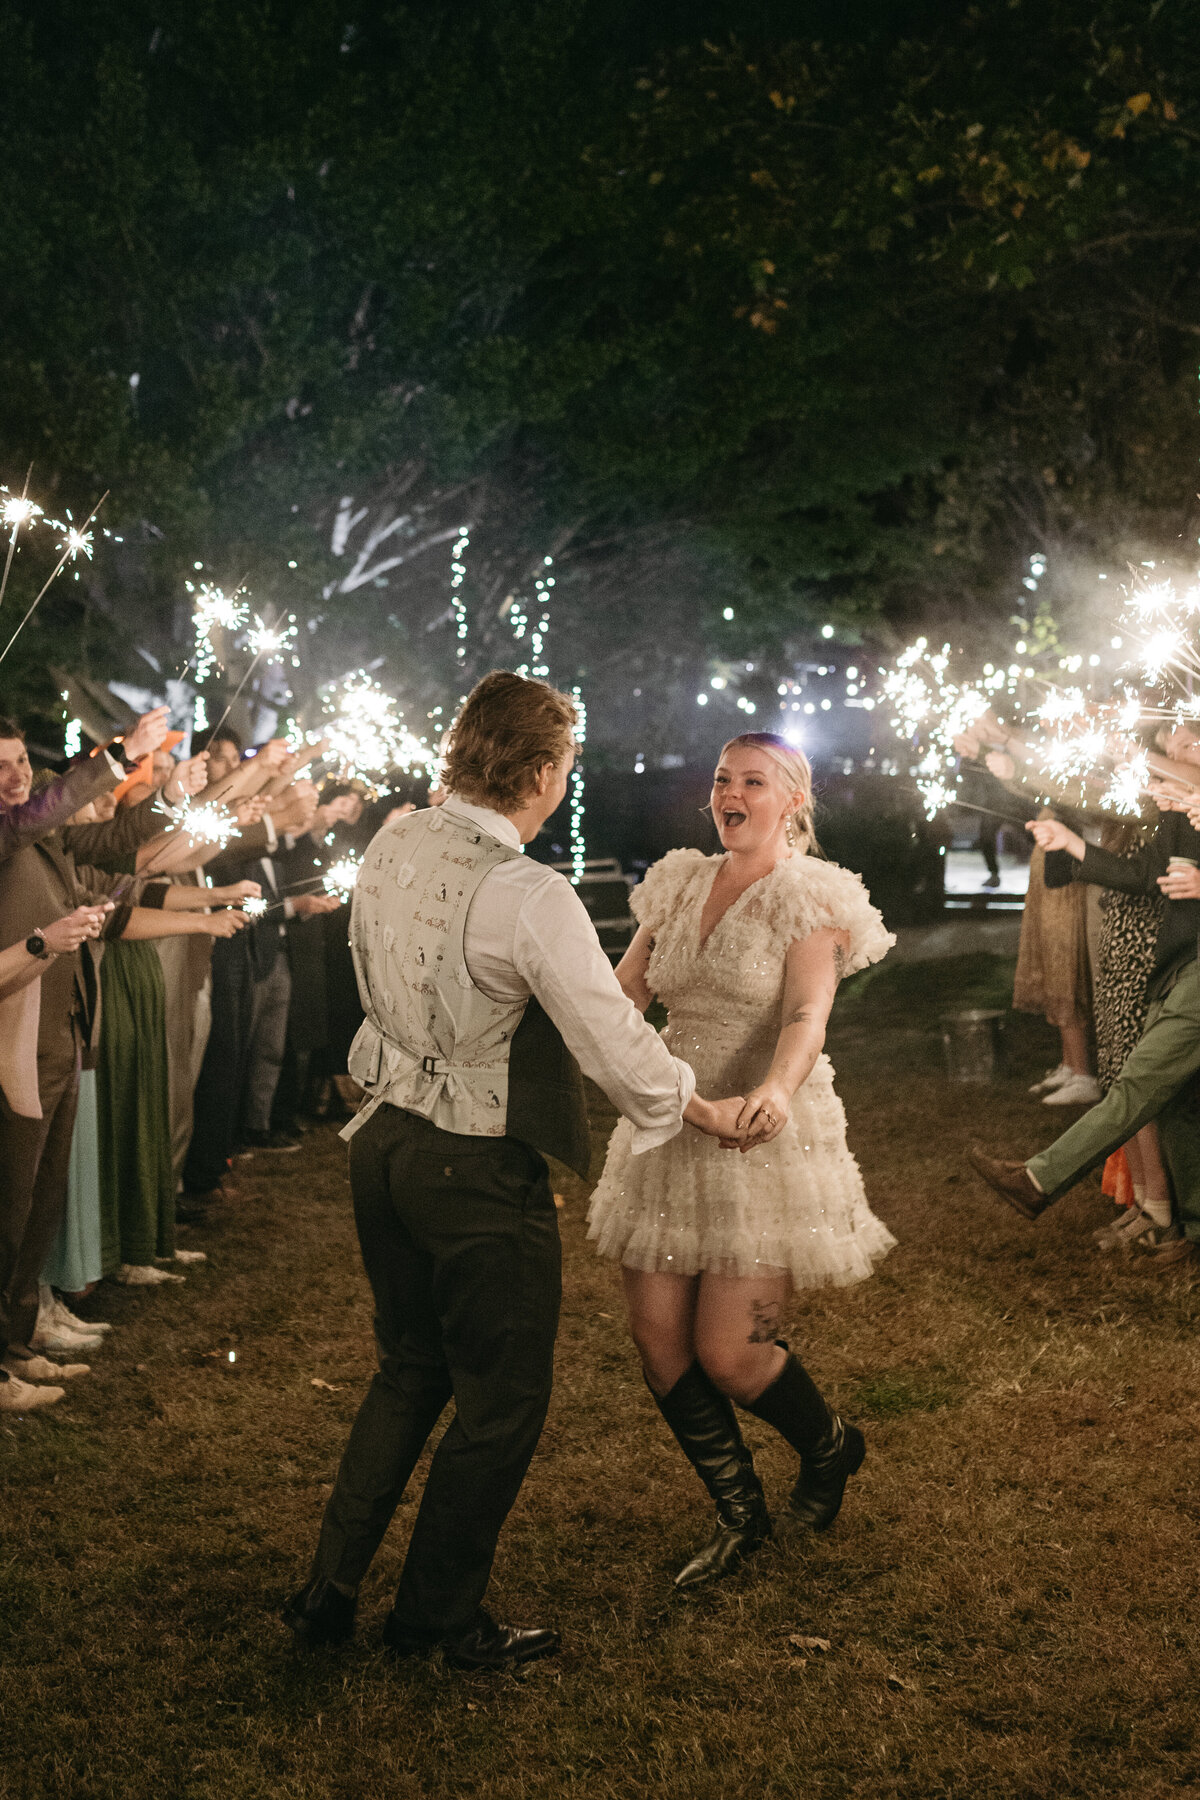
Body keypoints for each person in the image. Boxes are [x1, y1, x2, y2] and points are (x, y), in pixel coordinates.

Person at [283, 670, 745, 1671]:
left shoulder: (394, 837)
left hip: (385, 1147)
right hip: (470, 1168)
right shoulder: (528, 895)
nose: (563, 780)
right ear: (538, 771)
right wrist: (691, 1105)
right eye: (565, 765)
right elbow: (611, 1039)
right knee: (501, 1402)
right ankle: (434, 1622)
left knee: (409, 1368)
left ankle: (329, 1590)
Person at [586, 732, 895, 1587]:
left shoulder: (810, 896)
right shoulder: (680, 882)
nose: (731, 793)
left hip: (763, 1132)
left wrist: (778, 1090)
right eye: (723, 779)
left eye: (753, 781)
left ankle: (830, 1449)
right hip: (670, 1121)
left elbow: (805, 1015)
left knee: (731, 1355)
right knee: (661, 1347)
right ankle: (739, 1512)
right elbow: (623, 995)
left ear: (792, 799)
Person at [968, 793, 1200, 1270]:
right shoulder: (1181, 809)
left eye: (1176, 753)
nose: (1159, 780)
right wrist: (1072, 842)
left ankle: (1038, 1180)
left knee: (1139, 1086)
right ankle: (1191, 1230)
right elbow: (1145, 875)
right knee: (1176, 1104)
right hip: (1179, 965)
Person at [0, 902, 110, 1411]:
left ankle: (15, 1347)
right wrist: (40, 944)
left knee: (32, 1209)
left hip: (46, 1034)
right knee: (10, 1211)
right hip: (19, 1045)